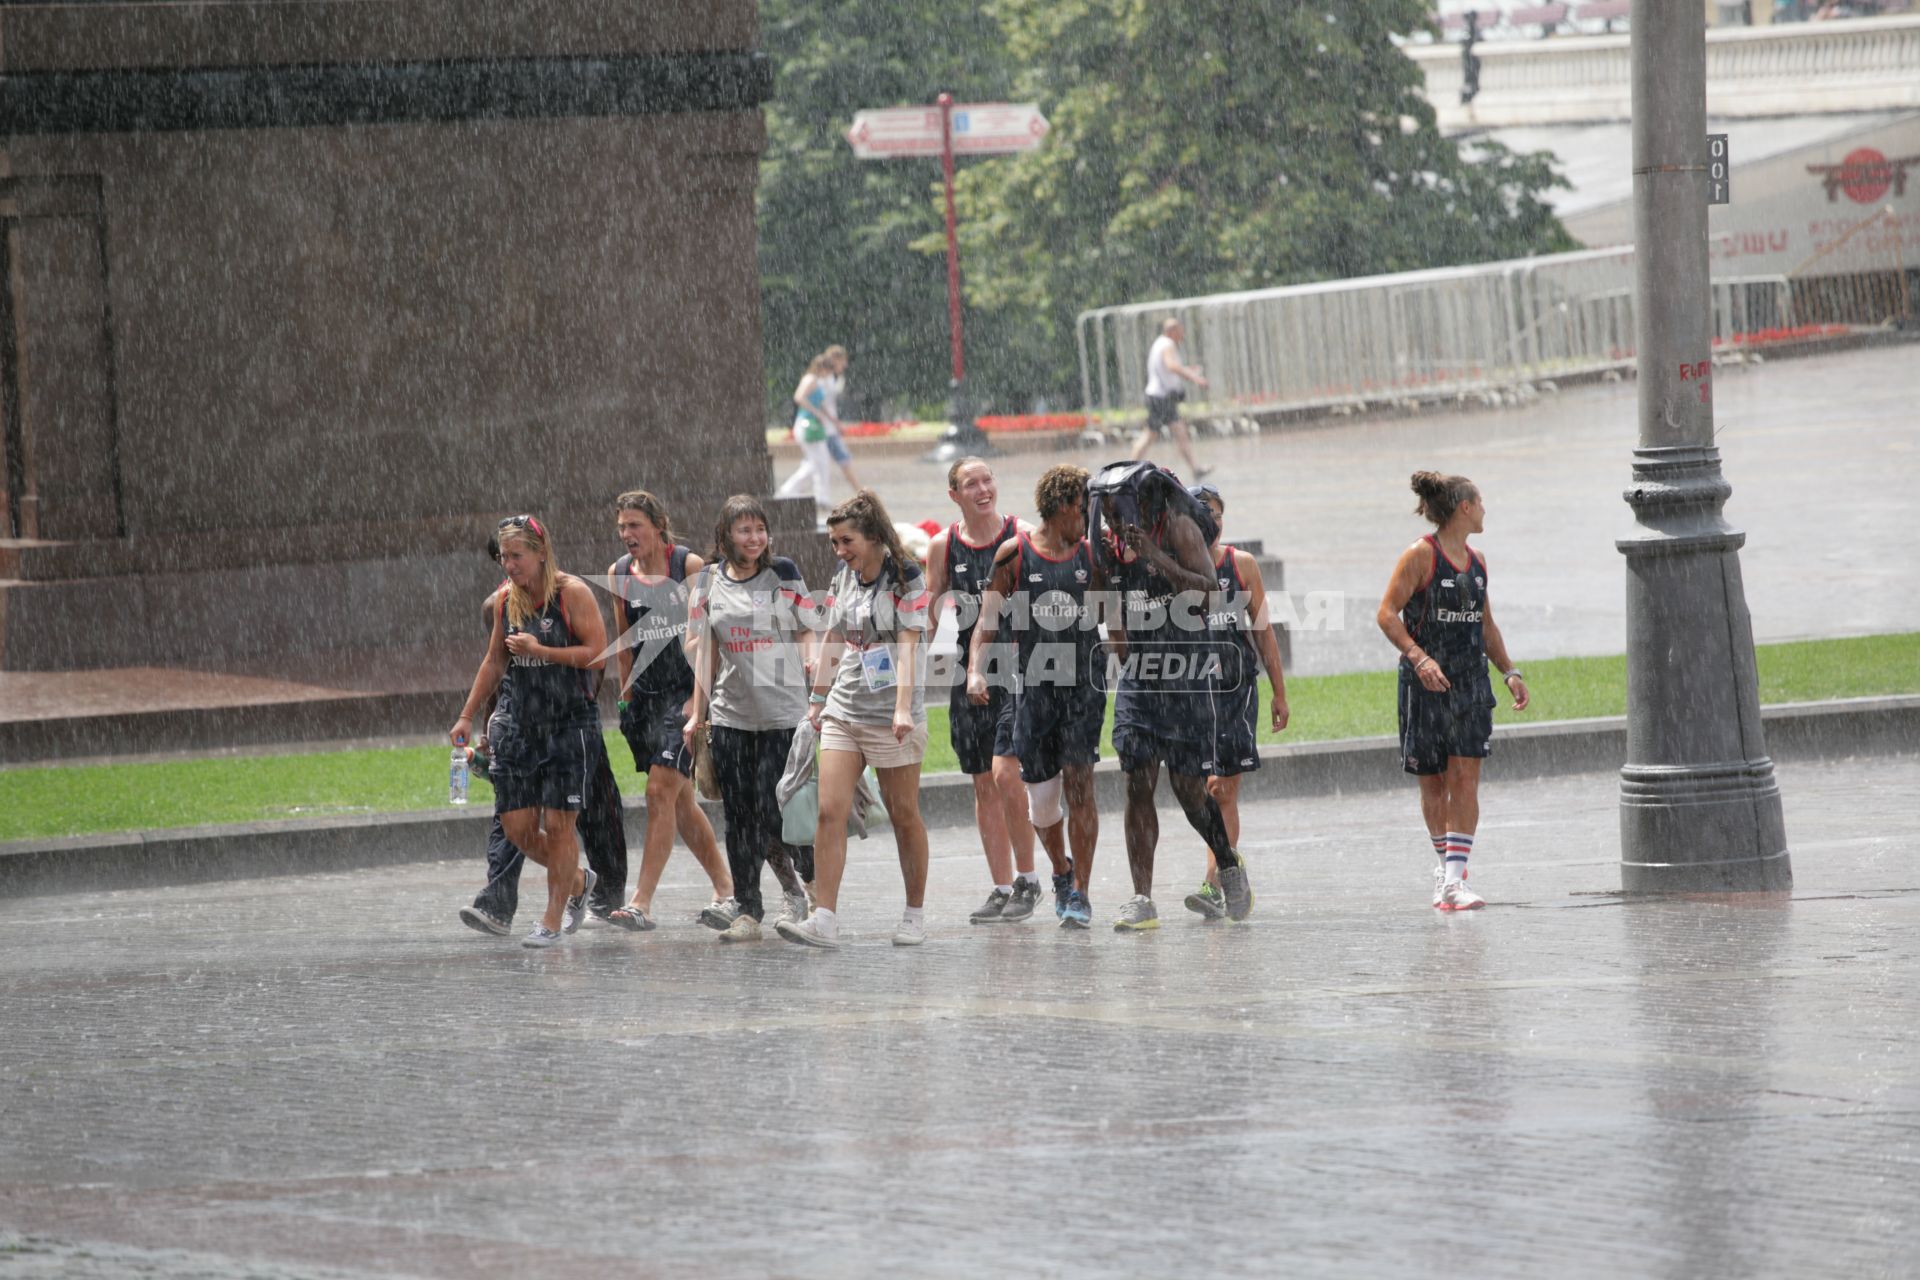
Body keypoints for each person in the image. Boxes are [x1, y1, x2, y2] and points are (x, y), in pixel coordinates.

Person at [778, 490, 932, 949]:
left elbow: (908, 649)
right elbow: (832, 637)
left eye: (847, 541)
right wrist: (818, 698)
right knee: (829, 810)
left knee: (904, 814)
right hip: (845, 706)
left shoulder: (906, 579)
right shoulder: (843, 578)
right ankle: (824, 918)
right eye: (834, 543)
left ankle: (914, 913)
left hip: (891, 716)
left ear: (873, 538)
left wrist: (902, 706)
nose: (840, 551)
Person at [1103, 468, 1254, 929]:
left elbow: (1209, 594)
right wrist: (1124, 653)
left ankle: (1228, 862)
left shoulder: (1179, 527)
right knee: (1136, 781)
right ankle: (1142, 898)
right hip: (1142, 679)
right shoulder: (1110, 540)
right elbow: (1106, 600)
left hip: (1186, 677)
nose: (1111, 515)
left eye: (1117, 504)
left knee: (1190, 791)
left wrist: (1154, 556)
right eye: (1105, 507)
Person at [1375, 471, 1530, 911]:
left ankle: (1454, 881)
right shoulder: (1419, 557)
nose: (1485, 510)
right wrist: (1419, 658)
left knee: (1466, 778)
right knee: (1434, 784)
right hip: (1424, 686)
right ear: (1465, 507)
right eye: (1481, 502)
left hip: (1470, 684)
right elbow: (1387, 615)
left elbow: (1485, 625)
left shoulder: (1477, 561)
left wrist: (1509, 670)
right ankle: (1446, 866)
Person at [450, 515, 604, 948]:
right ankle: (576, 879)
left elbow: (595, 653)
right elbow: (494, 662)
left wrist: (542, 650)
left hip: (569, 722)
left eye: (517, 556)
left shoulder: (571, 593)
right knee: (517, 827)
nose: (510, 565)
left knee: (559, 826)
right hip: (521, 725)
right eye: (504, 557)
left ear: (541, 553)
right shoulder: (506, 599)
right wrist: (466, 715)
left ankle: (551, 920)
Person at [967, 465, 1105, 929]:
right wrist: (974, 671)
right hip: (1033, 694)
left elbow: (1117, 619)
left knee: (1082, 788)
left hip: (1083, 690)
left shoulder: (1093, 554)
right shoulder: (1014, 555)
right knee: (1043, 804)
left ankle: (1081, 892)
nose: (1089, 517)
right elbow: (986, 624)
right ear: (1065, 506)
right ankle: (1061, 872)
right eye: (1084, 507)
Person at [923, 457, 1050, 924]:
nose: (982, 489)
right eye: (970, 483)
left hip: (1016, 666)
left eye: (987, 479)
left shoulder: (1023, 534)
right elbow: (933, 604)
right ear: (954, 496)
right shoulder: (944, 544)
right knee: (981, 781)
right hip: (968, 669)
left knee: (1007, 776)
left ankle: (1029, 877)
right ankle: (1001, 886)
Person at [685, 496, 818, 942]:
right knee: (740, 817)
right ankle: (749, 909)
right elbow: (704, 647)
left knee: (776, 810)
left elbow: (806, 627)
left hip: (783, 712)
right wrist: (696, 712)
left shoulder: (783, 571)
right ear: (726, 536)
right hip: (731, 717)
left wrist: (812, 666)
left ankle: (807, 889)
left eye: (759, 529)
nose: (755, 538)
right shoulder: (708, 580)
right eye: (744, 530)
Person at [603, 491, 735, 931]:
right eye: (622, 526)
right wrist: (625, 696)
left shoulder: (688, 567)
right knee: (678, 801)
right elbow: (624, 641)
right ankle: (725, 886)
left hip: (685, 696)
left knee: (659, 792)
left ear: (658, 525)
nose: (627, 535)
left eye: (635, 525)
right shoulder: (619, 572)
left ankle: (640, 903)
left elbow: (709, 638)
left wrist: (699, 700)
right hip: (645, 700)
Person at [1183, 483, 1291, 921]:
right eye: (1202, 511)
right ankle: (1231, 865)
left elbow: (1264, 631)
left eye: (1217, 512)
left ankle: (1213, 882)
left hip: (1235, 689)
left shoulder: (1240, 565)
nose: (1212, 518)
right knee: (1197, 791)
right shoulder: (1173, 567)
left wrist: (1280, 691)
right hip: (1189, 691)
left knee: (1221, 788)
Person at [775, 346, 861, 525]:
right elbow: (799, 397)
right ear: (821, 368)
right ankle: (814, 496)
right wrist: (817, 413)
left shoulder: (818, 380)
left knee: (815, 462)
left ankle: (794, 491)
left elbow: (823, 406)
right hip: (807, 426)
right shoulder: (811, 379)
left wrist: (832, 420)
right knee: (818, 462)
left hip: (815, 427)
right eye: (827, 371)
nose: (828, 375)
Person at [1131, 317, 1211, 480]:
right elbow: (1171, 366)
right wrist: (1194, 377)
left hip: (1162, 398)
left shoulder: (1160, 343)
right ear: (1172, 331)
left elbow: (1167, 369)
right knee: (1150, 435)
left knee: (1179, 431)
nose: (1182, 335)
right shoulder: (1167, 344)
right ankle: (1129, 469)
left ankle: (1195, 468)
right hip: (1160, 398)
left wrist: (1187, 370)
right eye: (1180, 331)